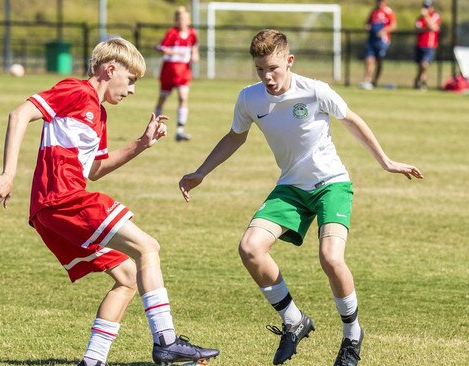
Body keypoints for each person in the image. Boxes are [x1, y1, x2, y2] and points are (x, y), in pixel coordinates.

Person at [179, 29, 423, 366]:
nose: (267, 77)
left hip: (331, 185)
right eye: (260, 69)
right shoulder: (249, 98)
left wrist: (387, 162)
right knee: (250, 248)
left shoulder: (315, 91)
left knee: (331, 258)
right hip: (291, 187)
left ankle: (352, 335)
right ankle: (294, 320)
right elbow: (235, 137)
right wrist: (201, 171)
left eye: (273, 68)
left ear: (289, 61)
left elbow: (351, 120)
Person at [0, 37, 219, 366]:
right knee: (148, 247)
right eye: (131, 80)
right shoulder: (76, 91)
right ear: (110, 70)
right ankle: (166, 341)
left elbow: (95, 170)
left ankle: (93, 361)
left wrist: (142, 144)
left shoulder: (100, 116)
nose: (132, 90)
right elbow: (19, 114)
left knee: (128, 278)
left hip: (55, 208)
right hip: (62, 199)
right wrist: (8, 174)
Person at [154, 6, 200, 142]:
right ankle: (155, 124)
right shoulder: (172, 33)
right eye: (180, 19)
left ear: (189, 20)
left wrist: (195, 55)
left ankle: (180, 130)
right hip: (169, 71)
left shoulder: (192, 33)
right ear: (176, 21)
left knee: (183, 98)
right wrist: (173, 52)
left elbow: (194, 47)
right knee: (163, 98)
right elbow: (160, 47)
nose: (182, 22)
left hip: (183, 71)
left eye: (185, 19)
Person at [360, 0, 397, 90]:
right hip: (371, 40)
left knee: (379, 61)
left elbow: (394, 26)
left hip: (382, 41)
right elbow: (367, 23)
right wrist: (368, 26)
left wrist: (383, 31)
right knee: (369, 60)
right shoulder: (373, 12)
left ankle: (374, 81)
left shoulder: (388, 12)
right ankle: (367, 81)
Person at [413, 0, 441, 90]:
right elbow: (417, 29)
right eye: (425, 7)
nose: (426, 9)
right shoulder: (419, 18)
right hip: (419, 44)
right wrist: (426, 28)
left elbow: (434, 27)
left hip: (430, 45)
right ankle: (420, 82)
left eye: (428, 7)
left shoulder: (435, 16)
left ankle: (420, 81)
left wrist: (426, 17)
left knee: (424, 64)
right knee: (421, 66)